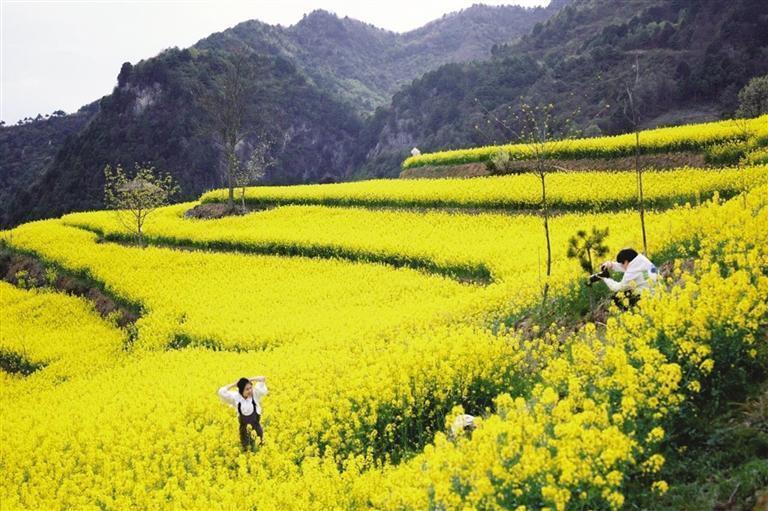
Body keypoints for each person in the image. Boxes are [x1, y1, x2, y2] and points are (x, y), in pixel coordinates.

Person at [218, 376, 268, 451]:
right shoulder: (235, 398)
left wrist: (249, 380)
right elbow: (221, 392)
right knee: (246, 450)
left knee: (260, 449)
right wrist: (235, 384)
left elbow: (262, 379)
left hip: (257, 430)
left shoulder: (255, 395)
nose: (250, 390)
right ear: (241, 390)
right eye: (247, 389)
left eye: (251, 388)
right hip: (244, 431)